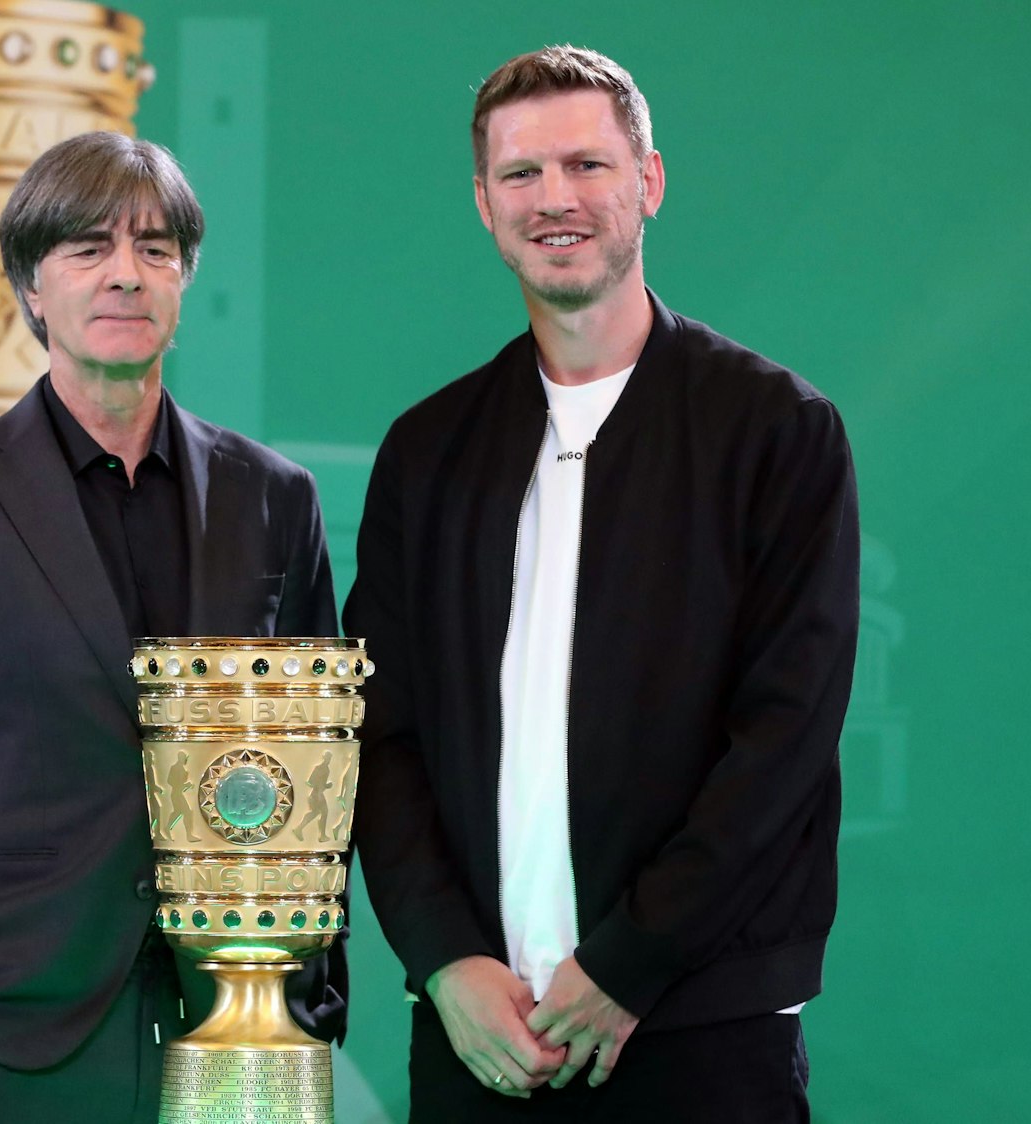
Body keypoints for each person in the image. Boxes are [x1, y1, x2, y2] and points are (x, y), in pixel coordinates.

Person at [345, 45, 859, 1121]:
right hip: (477, 1039)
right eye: (522, 175)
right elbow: (377, 733)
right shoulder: (427, 450)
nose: (555, 199)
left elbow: (784, 738)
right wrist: (443, 959)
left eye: (586, 164)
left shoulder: (775, 431)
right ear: (484, 203)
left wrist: (631, 960)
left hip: (700, 1032)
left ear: (648, 182)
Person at [0, 130, 343, 1124]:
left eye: (154, 248)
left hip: (235, 1011)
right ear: (30, 286)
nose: (124, 275)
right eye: (88, 248)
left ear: (184, 281)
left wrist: (307, 995)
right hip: (9, 1021)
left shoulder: (274, 496)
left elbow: (316, 771)